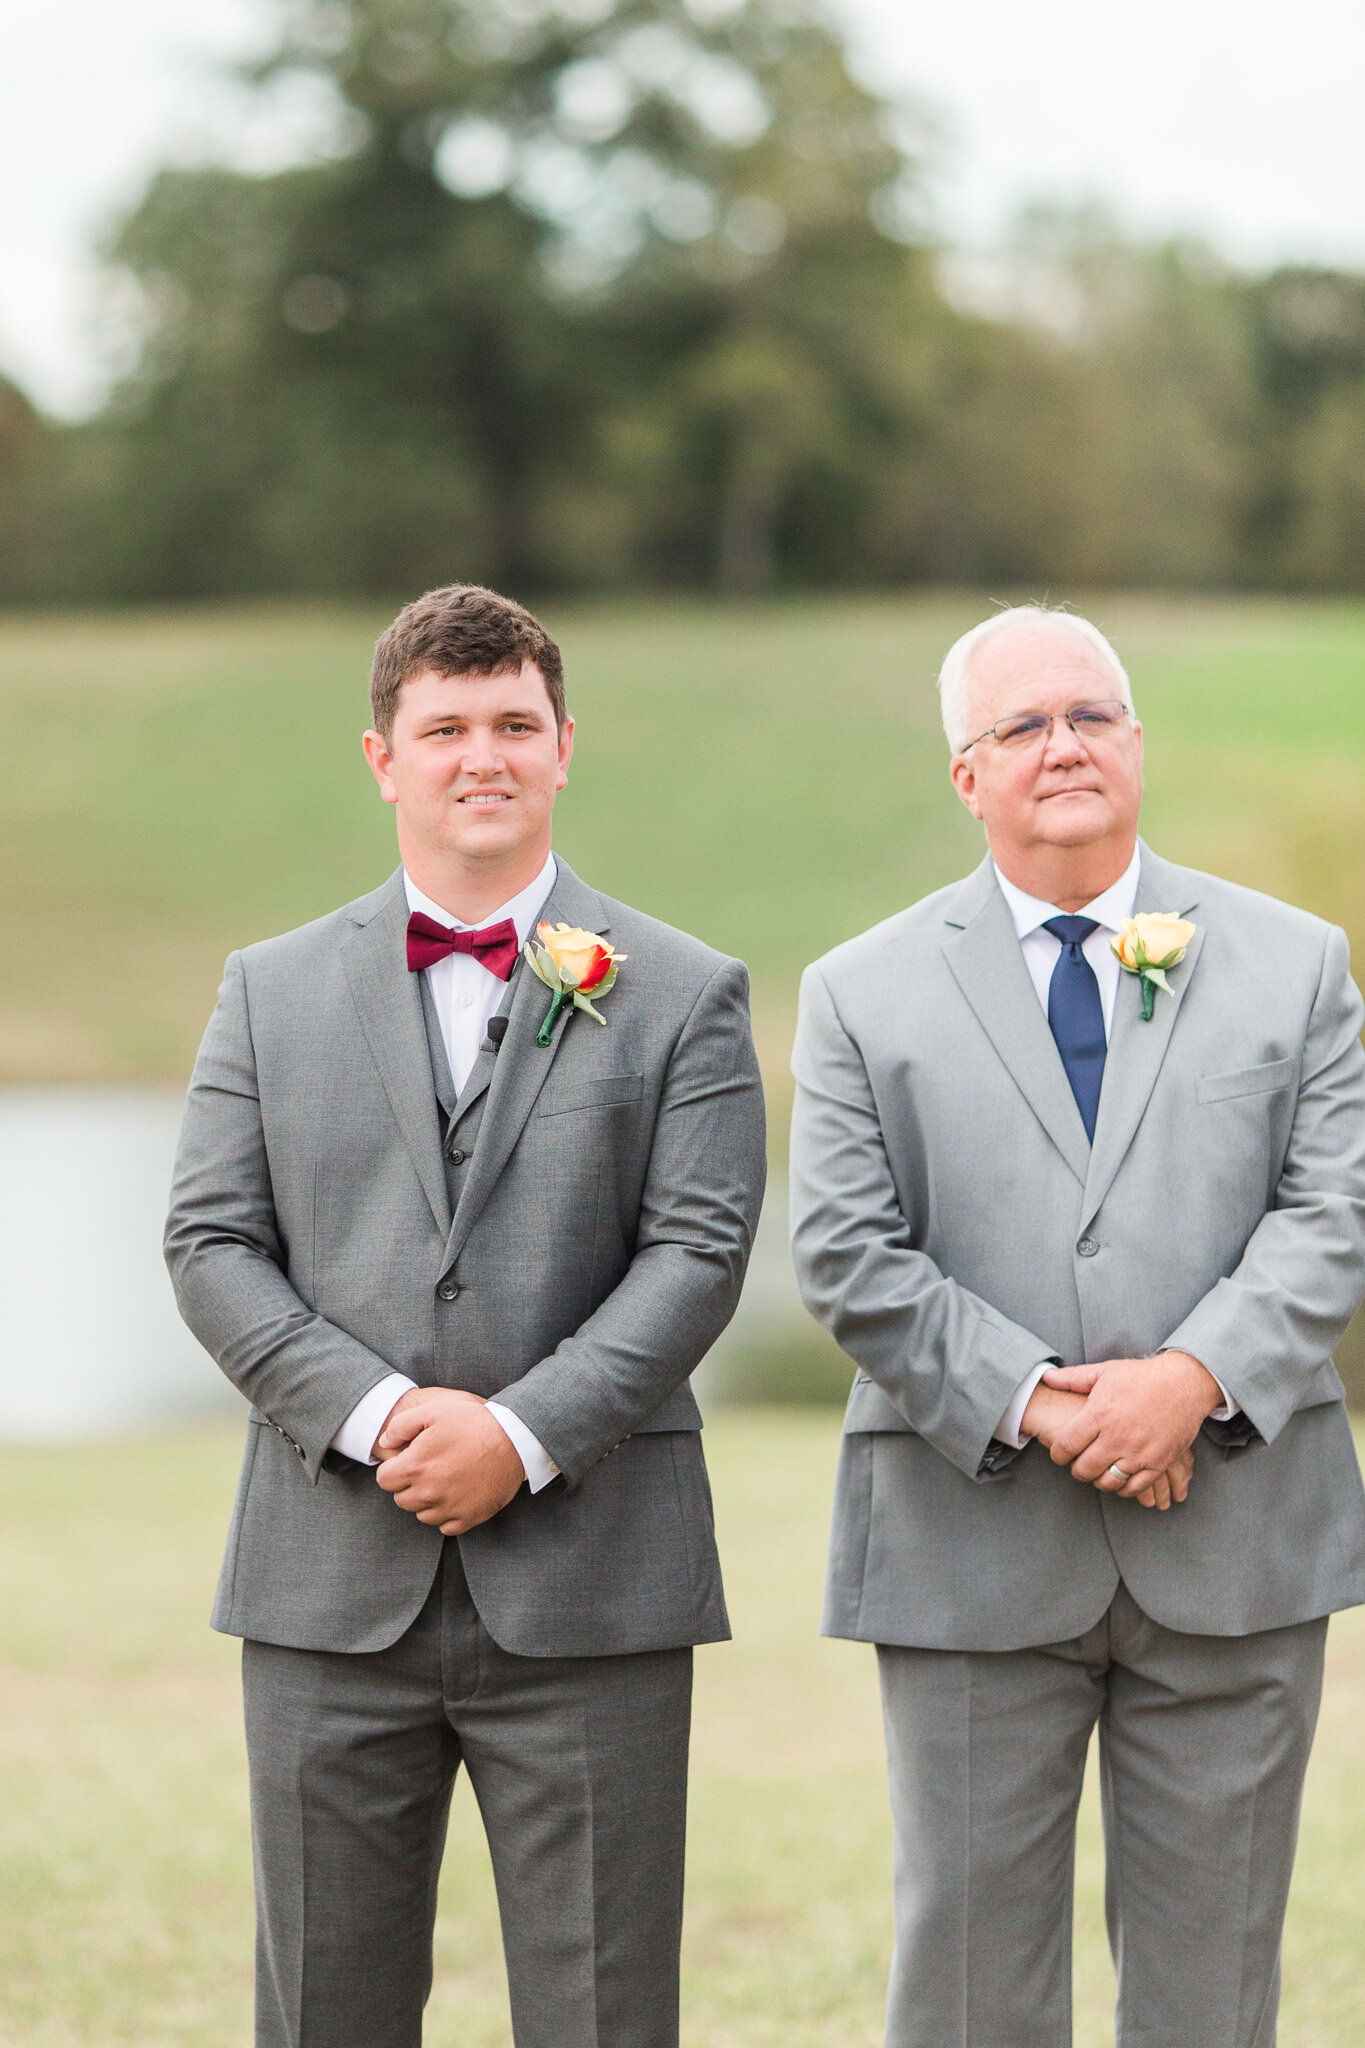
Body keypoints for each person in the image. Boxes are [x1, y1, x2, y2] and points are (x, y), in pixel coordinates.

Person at [165, 583, 766, 2048]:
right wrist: (376, 1422)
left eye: (513, 723)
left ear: (566, 747)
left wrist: (518, 1433)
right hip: (328, 1586)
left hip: (595, 1582)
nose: (479, 754)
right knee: (324, 2013)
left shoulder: (683, 993)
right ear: (383, 757)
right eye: (443, 727)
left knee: (605, 2011)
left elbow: (695, 1253)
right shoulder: (267, 991)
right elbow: (209, 1240)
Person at [789, 604, 1365, 2048]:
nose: (1064, 746)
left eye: (1091, 715)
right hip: (966, 1556)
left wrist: (1189, 1380)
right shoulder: (857, 993)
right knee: (970, 1987)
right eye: (1021, 726)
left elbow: (1332, 1211)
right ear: (964, 776)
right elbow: (847, 1257)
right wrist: (1053, 1406)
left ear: (1137, 745)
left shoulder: (1296, 965)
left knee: (1211, 1993)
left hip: (1232, 1537)